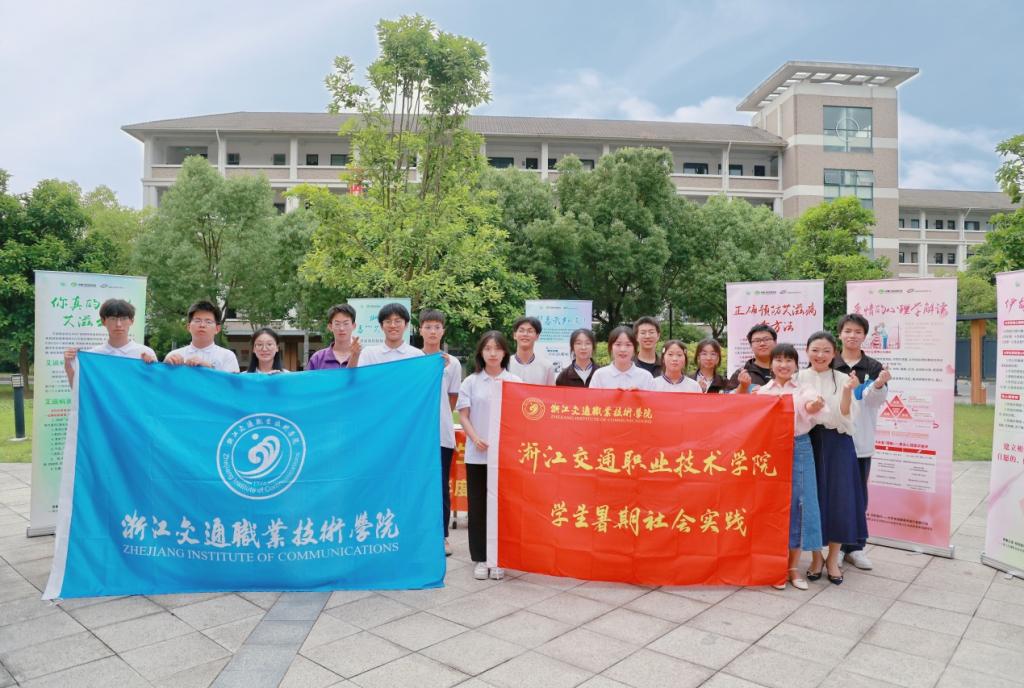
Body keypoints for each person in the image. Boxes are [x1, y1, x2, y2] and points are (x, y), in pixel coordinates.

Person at [798, 331, 865, 586]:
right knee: (811, 499)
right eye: (815, 350)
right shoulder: (798, 377)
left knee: (840, 499)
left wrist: (848, 391)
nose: (820, 355)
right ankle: (816, 557)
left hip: (838, 443)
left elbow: (846, 414)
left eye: (826, 350)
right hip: (807, 442)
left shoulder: (844, 378)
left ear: (834, 353)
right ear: (807, 351)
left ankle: (833, 558)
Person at [756, 343, 823, 591]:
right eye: (778, 360)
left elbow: (811, 406)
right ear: (771, 364)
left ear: (796, 364)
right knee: (770, 505)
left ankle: (793, 567)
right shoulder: (762, 392)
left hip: (799, 447)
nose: (783, 365)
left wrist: (814, 406)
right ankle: (773, 564)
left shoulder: (805, 389)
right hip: (768, 449)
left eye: (788, 360)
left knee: (799, 504)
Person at [456, 331, 521, 581]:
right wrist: (474, 438)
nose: (493, 353)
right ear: (480, 353)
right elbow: (464, 416)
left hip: (504, 457)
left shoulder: (514, 381)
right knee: (478, 507)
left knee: (503, 506)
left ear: (505, 352)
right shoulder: (471, 382)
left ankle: (500, 557)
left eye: (497, 348)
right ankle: (482, 557)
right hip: (477, 455)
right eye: (487, 348)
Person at [833, 313, 891, 570]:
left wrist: (878, 385)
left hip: (860, 442)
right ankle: (834, 547)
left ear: (865, 336)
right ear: (840, 334)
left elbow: (875, 401)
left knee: (858, 495)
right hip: (833, 439)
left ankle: (855, 547)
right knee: (835, 494)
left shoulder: (873, 366)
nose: (852, 336)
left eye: (858, 332)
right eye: (848, 331)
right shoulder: (830, 362)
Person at [419, 309, 463, 557]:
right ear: (420, 330)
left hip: (441, 433)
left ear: (443, 331)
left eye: (437, 327)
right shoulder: (412, 358)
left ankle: (442, 536)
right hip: (414, 434)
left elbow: (452, 399)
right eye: (428, 326)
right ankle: (417, 534)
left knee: (440, 484)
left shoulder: (452, 363)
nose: (433, 331)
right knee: (416, 483)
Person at [63, 298, 156, 387]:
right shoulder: (94, 355)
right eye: (113, 319)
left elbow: (154, 389)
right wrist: (68, 365)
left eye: (123, 318)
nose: (118, 324)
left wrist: (152, 368)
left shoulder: (145, 353)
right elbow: (81, 390)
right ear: (103, 321)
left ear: (132, 321)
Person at [164, 301, 240, 372]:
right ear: (188, 327)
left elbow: (231, 381)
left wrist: (208, 368)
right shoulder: (174, 356)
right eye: (197, 321)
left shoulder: (227, 356)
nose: (202, 325)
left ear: (217, 329)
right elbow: (163, 380)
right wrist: (165, 367)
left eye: (208, 322)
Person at [354, 303, 424, 366]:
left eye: (397, 321)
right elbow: (357, 375)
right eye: (388, 321)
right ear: (381, 326)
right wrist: (354, 355)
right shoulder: (369, 354)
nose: (393, 325)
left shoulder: (417, 356)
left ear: (406, 325)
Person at [589, 326, 654, 390]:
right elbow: (592, 397)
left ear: (634, 349)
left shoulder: (646, 377)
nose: (623, 349)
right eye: (618, 344)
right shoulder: (599, 375)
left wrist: (639, 395)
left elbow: (652, 397)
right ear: (611, 347)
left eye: (628, 345)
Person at [306, 304, 361, 370]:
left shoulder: (363, 357)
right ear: (330, 327)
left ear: (353, 326)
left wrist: (355, 356)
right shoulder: (318, 358)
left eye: (346, 323)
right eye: (337, 324)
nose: (341, 328)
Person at [726, 324, 776, 393]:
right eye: (757, 341)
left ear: (775, 342)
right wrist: (743, 387)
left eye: (766, 339)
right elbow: (729, 398)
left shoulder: (785, 371)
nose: (762, 343)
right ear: (751, 346)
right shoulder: (741, 374)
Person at [508, 316, 556, 385]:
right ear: (515, 335)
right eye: (521, 331)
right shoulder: (505, 364)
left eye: (530, 331)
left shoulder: (547, 366)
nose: (525, 334)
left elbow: (551, 391)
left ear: (537, 336)